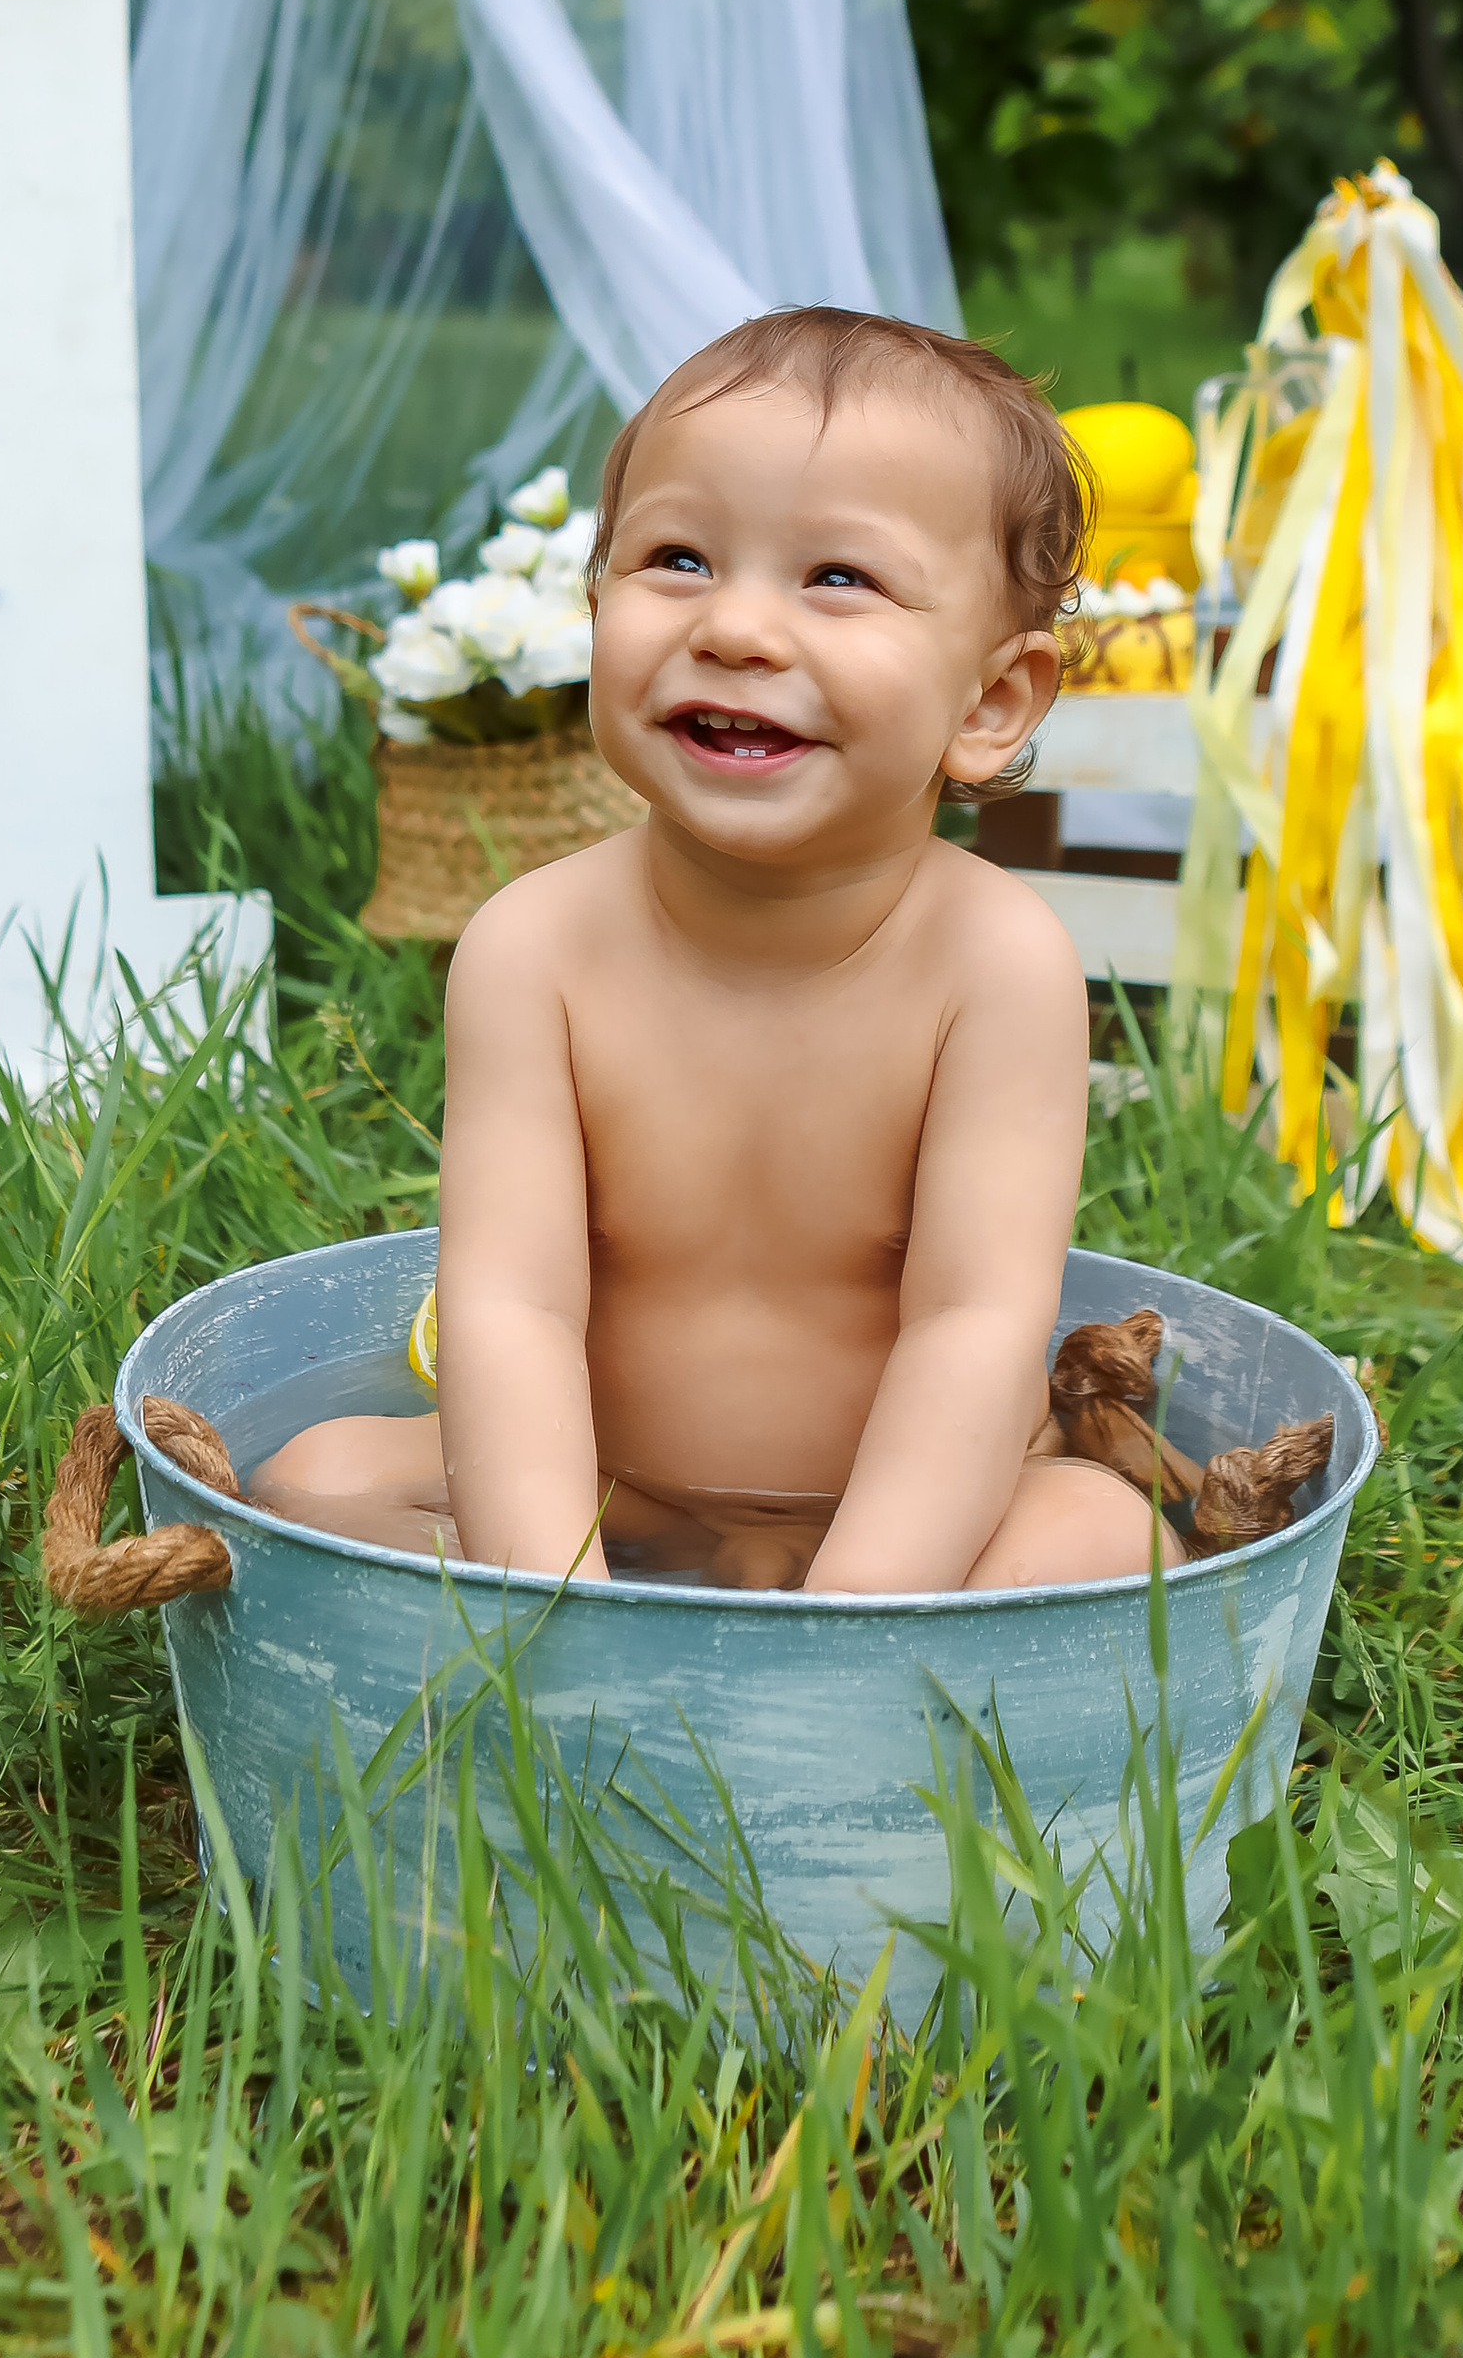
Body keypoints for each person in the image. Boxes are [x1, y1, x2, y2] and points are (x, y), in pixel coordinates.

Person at [249, 307, 1179, 1594]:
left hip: (906, 1506)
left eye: (837, 577)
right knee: (315, 1476)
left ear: (988, 701)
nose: (735, 627)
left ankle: (845, 1631)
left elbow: (973, 1328)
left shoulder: (997, 966)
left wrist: (851, 1614)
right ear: (594, 608)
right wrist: (554, 1590)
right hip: (617, 1488)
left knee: (1108, 1539)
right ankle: (614, 1601)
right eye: (677, 558)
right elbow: (511, 1308)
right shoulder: (535, 948)